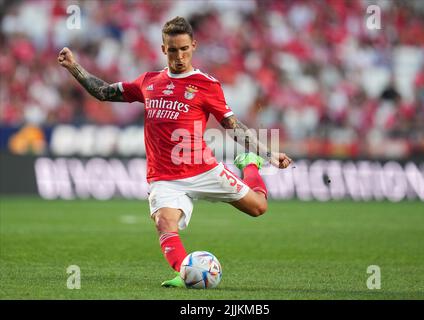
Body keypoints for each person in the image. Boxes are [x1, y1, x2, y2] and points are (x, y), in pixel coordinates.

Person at [58, 16, 292, 287]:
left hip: (203, 168)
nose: (179, 56)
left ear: (193, 46)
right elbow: (103, 92)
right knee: (164, 222)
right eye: (172, 50)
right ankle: (186, 273)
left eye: (184, 49)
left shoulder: (207, 84)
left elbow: (233, 125)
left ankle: (249, 164)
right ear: (163, 49)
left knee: (258, 208)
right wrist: (74, 67)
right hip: (164, 176)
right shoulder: (149, 82)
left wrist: (267, 154)